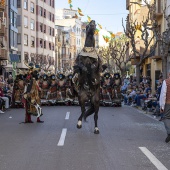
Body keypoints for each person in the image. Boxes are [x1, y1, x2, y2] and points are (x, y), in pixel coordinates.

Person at [159, 70, 170, 143]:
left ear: (169, 74)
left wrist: (162, 106)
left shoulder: (166, 82)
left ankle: (169, 132)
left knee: (166, 117)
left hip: (168, 103)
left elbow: (163, 94)